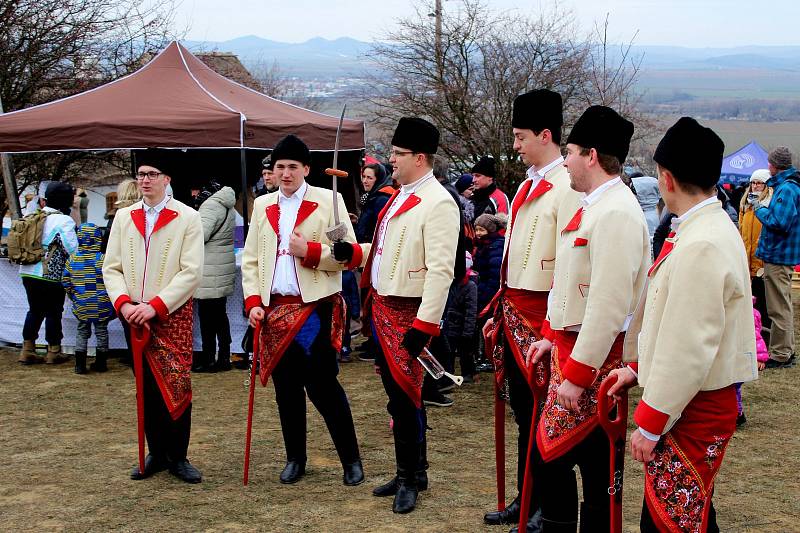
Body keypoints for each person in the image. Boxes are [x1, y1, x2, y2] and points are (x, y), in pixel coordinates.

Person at [606, 116, 758, 533]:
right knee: (690, 517)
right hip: (690, 400)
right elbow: (675, 321)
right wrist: (639, 369)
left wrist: (651, 422)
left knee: (668, 522)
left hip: (694, 407)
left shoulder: (703, 242)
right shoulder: (704, 229)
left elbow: (690, 344)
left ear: (667, 178)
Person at [526, 105, 649, 531]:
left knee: (590, 473)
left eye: (572, 152)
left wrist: (578, 374)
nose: (565, 161)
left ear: (591, 155)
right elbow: (567, 284)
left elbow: (609, 305)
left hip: (596, 362)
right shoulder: (591, 205)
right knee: (555, 462)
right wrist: (548, 333)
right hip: (569, 350)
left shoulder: (615, 211)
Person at [336, 117, 460, 514]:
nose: (391, 159)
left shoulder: (438, 201)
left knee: (408, 398)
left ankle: (411, 478)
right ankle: (412, 470)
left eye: (397, 154)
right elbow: (389, 249)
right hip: (384, 307)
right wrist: (355, 253)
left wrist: (425, 326)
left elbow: (442, 270)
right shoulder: (402, 194)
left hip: (410, 311)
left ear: (419, 157)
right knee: (395, 397)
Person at [481, 89, 582, 533]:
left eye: (521, 137)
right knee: (524, 413)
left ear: (546, 134)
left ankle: (548, 504)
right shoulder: (526, 184)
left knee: (544, 416)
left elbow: (567, 265)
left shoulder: (568, 187)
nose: (516, 146)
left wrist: (547, 327)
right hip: (513, 310)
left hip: (543, 318)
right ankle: (529, 495)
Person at [241, 134, 364, 487]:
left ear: (306, 169)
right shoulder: (262, 206)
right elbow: (251, 261)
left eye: (293, 166)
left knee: (324, 388)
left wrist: (308, 251)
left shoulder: (330, 201)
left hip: (314, 311)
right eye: (279, 167)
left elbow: (349, 255)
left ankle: (350, 460)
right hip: (273, 311)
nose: (286, 173)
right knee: (286, 390)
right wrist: (253, 302)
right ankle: (296, 458)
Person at [103, 151, 205, 484]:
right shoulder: (124, 217)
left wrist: (157, 305)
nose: (145, 180)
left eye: (152, 174)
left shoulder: (187, 217)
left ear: (166, 179)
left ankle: (179, 455)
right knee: (145, 385)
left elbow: (191, 272)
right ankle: (156, 452)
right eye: (141, 174)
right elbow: (112, 267)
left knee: (175, 384)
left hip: (170, 314)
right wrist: (124, 303)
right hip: (132, 314)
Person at [18, 181, 78, 365]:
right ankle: (54, 351)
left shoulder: (33, 215)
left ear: (46, 200)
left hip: (27, 271)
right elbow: (72, 248)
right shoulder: (64, 220)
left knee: (35, 310)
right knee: (53, 311)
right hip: (49, 274)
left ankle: (27, 349)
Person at [751, 146, 800, 368]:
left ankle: (780, 354)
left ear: (775, 165)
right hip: (782, 254)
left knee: (777, 307)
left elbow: (779, 222)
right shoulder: (789, 186)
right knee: (784, 305)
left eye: (770, 163)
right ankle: (786, 350)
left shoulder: (787, 189)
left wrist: (759, 208)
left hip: (778, 255)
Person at [193, 179, 236, 373]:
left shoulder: (210, 205)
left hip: (210, 267)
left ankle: (209, 359)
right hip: (222, 264)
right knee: (220, 316)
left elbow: (200, 235)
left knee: (207, 317)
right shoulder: (227, 204)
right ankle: (224, 356)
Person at [62, 223, 115, 374]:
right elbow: (112, 279)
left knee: (82, 332)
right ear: (98, 239)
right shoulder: (103, 259)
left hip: (82, 303)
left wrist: (74, 296)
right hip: (101, 304)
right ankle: (101, 363)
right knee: (102, 331)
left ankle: (79, 365)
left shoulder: (72, 260)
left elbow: (65, 281)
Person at [739, 169, 773, 329]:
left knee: (764, 304)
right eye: (753, 182)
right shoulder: (745, 205)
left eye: (760, 183)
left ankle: (765, 336)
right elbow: (741, 231)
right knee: (748, 303)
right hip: (746, 259)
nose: (756, 186)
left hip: (762, 261)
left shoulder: (769, 204)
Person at [445, 251, 478, 383]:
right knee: (449, 351)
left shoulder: (470, 286)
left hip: (463, 325)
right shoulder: (450, 283)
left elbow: (471, 310)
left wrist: (468, 331)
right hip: (450, 324)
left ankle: (468, 373)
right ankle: (449, 373)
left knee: (466, 352)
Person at [473, 213, 505, 315]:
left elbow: (494, 277)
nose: (478, 233)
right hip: (480, 290)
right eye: (476, 229)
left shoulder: (495, 246)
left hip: (487, 296)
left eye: (481, 230)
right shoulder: (482, 245)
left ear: (490, 230)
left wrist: (483, 298)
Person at [355, 162, 394, 244]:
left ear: (379, 179)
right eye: (363, 177)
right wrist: (358, 221)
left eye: (369, 178)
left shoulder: (382, 199)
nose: (364, 181)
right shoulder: (371, 196)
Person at [470, 155, 510, 221]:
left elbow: (503, 227)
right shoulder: (472, 196)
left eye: (477, 176)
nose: (473, 180)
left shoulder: (499, 197)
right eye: (473, 176)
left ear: (490, 177)